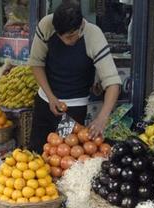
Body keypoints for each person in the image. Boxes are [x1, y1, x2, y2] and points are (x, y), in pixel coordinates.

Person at [27, 1, 121, 152]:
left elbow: (112, 83)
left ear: (81, 26)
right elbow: (36, 63)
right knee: (36, 153)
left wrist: (102, 118)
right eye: (62, 36)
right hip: (45, 102)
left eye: (71, 36)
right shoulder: (46, 25)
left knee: (64, 158)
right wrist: (51, 97)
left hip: (73, 111)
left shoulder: (93, 35)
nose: (67, 41)